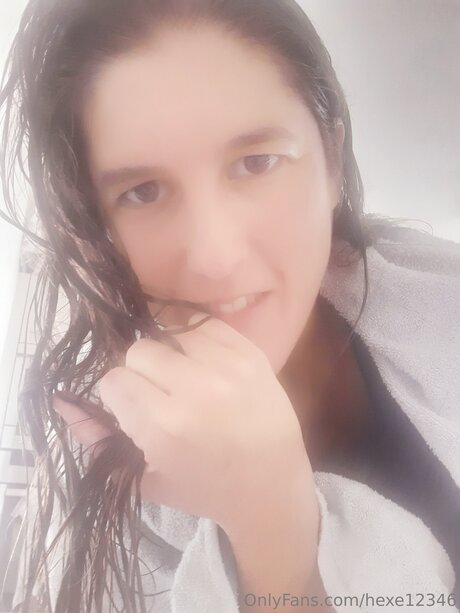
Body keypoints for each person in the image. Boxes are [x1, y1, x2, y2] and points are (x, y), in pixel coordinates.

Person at [0, 0, 458, 611]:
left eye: (256, 163)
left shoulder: (439, 291)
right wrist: (270, 528)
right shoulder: (100, 482)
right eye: (142, 192)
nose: (215, 257)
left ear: (330, 163)